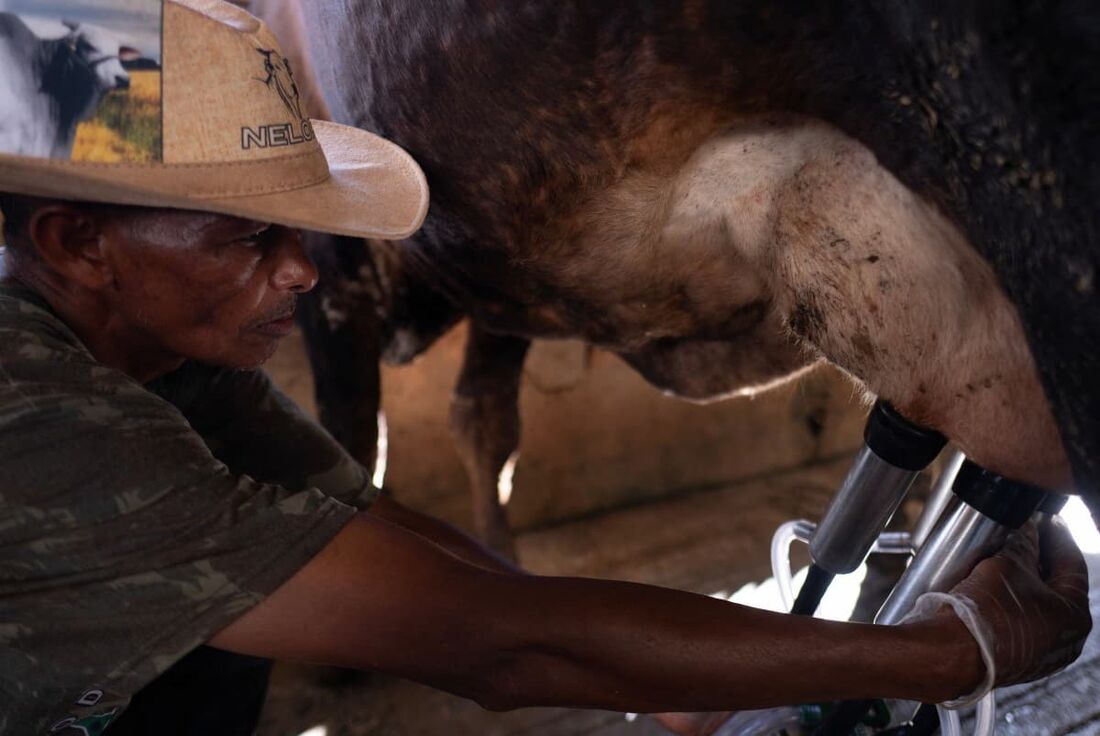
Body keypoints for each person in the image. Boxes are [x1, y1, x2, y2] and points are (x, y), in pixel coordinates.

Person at [0, 1, 1090, 735]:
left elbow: (411, 553)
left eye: (297, 230)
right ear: (73, 244)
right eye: (246, 237)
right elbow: (499, 648)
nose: (301, 273)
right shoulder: (31, 420)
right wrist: (948, 654)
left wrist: (689, 674)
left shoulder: (169, 361)